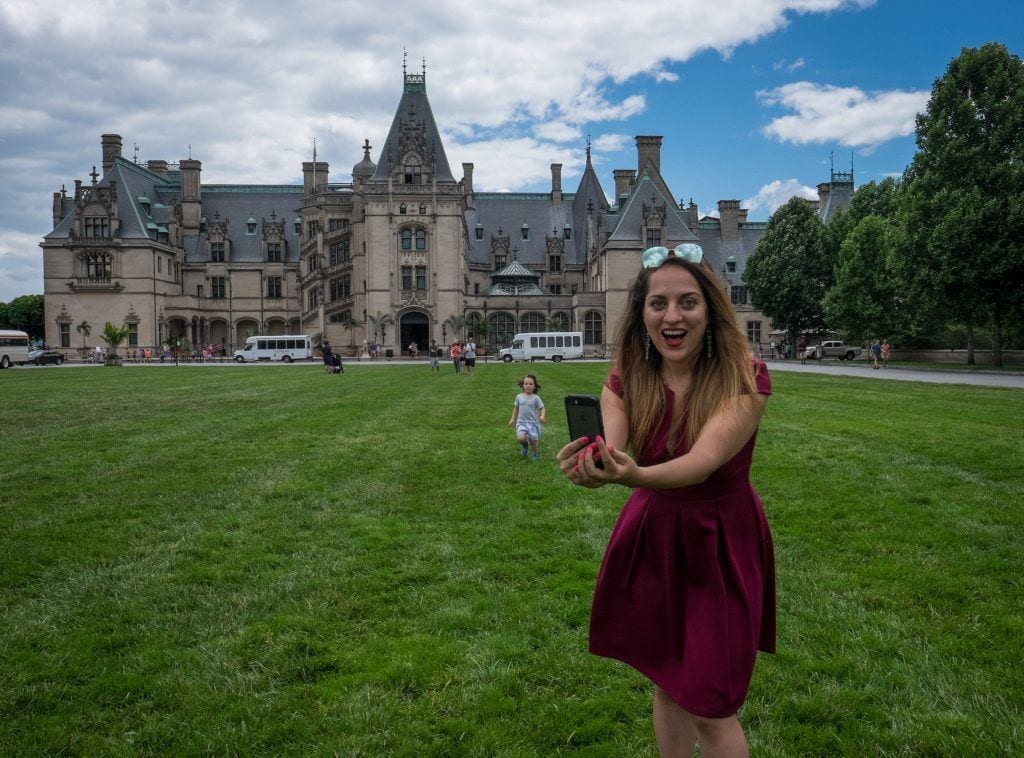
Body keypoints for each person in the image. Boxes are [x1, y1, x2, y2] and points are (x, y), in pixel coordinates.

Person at [556, 243, 775, 756]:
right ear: (642, 314)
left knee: (711, 703)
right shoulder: (632, 373)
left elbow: (702, 462)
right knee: (668, 682)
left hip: (717, 541)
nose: (672, 316)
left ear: (710, 311)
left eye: (687, 302)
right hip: (655, 536)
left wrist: (632, 477)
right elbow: (613, 434)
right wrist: (597, 462)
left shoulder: (746, 377)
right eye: (658, 304)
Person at [509, 373, 545, 460]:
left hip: (533, 423)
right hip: (521, 422)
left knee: (533, 441)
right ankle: (525, 446)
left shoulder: (536, 398)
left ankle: (534, 454)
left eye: (531, 384)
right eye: (526, 384)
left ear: (534, 386)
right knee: (521, 438)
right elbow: (516, 408)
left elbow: (542, 408)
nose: (528, 386)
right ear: (523, 386)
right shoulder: (519, 397)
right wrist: (513, 418)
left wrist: (542, 416)